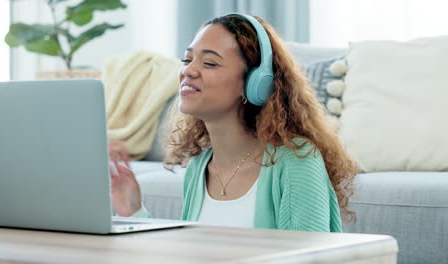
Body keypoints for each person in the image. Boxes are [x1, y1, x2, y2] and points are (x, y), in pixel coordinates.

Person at [109, 13, 357, 232]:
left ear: (255, 83)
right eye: (187, 60)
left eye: (209, 63)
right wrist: (133, 211)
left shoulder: (298, 161)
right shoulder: (198, 168)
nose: (188, 71)